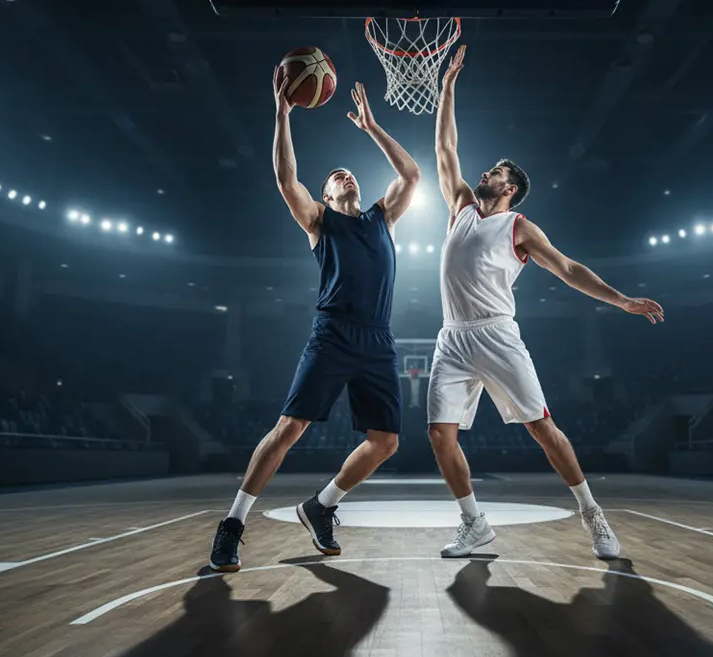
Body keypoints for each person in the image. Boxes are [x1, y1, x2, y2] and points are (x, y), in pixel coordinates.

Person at [427, 46, 665, 560]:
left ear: (509, 187)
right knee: (440, 435)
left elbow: (569, 268)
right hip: (452, 337)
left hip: (495, 332)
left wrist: (620, 300)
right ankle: (475, 524)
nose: (484, 173)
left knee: (542, 428)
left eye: (493, 172)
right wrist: (446, 87)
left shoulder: (519, 226)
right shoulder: (462, 209)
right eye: (485, 170)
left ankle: (591, 513)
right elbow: (445, 149)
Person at [208, 69, 421, 572]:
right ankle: (233, 524)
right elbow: (286, 179)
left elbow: (411, 175)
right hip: (333, 333)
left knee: (386, 442)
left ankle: (321, 506)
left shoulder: (381, 218)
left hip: (377, 340)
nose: (345, 174)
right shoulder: (319, 223)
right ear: (325, 196)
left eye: (349, 173)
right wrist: (282, 113)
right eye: (335, 176)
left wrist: (372, 127)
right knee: (289, 427)